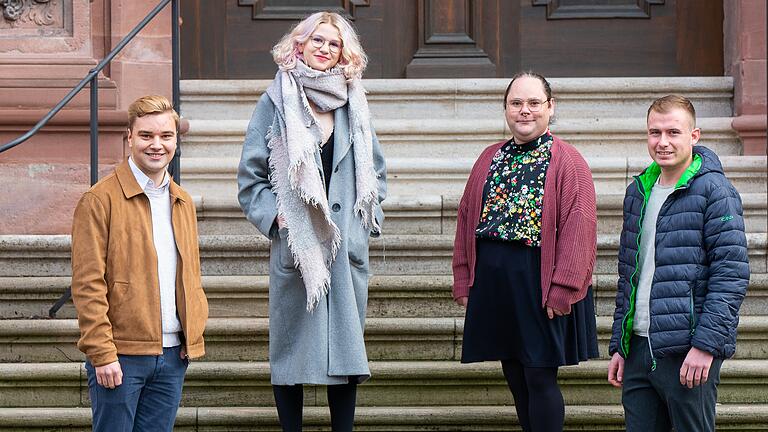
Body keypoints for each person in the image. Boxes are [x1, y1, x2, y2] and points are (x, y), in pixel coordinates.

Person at [237, 11, 386, 432]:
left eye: (333, 43)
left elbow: (376, 171)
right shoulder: (275, 100)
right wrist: (279, 218)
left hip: (345, 249)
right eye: (317, 40)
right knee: (291, 357)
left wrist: (364, 224)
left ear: (344, 53)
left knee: (345, 353)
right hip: (299, 246)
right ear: (299, 45)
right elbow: (251, 180)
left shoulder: (354, 101)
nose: (324, 48)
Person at [452, 72, 599, 432]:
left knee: (538, 377)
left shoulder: (569, 161)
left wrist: (563, 288)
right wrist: (463, 278)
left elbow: (580, 228)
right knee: (515, 376)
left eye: (534, 103)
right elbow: (466, 217)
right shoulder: (489, 157)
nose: (525, 111)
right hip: (494, 282)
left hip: (540, 281)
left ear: (551, 107)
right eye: (516, 103)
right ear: (506, 108)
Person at [607, 95, 749, 431]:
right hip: (640, 347)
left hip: (688, 350)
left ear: (694, 136)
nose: (663, 142)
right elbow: (629, 273)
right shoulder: (638, 191)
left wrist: (706, 345)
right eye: (655, 133)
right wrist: (620, 344)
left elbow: (731, 274)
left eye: (673, 132)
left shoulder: (715, 191)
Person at [70, 95, 209, 432]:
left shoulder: (182, 201)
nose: (157, 145)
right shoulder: (98, 200)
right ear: (129, 137)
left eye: (166, 136)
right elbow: (88, 284)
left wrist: (193, 333)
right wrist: (101, 352)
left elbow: (189, 276)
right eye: (146, 135)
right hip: (121, 355)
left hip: (174, 354)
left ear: (176, 139)